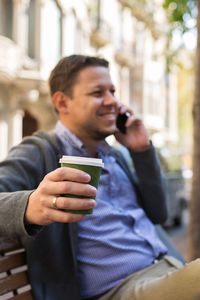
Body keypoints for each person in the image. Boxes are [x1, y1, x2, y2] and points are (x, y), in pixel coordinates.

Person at [0, 54, 199, 300]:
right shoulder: (39, 151)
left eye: (112, 91)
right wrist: (30, 205)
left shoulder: (115, 155)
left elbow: (159, 214)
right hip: (121, 290)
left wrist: (142, 151)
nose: (112, 101)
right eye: (97, 93)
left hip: (167, 269)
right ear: (63, 103)